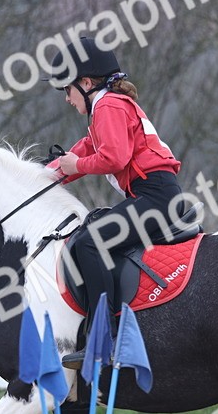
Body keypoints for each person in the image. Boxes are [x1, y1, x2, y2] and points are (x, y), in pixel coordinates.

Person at [47, 37, 183, 370]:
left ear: (86, 82)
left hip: (156, 198)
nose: (66, 99)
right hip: (153, 196)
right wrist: (44, 175)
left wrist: (74, 167)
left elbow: (112, 157)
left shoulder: (108, 106)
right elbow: (83, 149)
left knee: (91, 243)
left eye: (67, 90)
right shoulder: (108, 107)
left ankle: (103, 339)